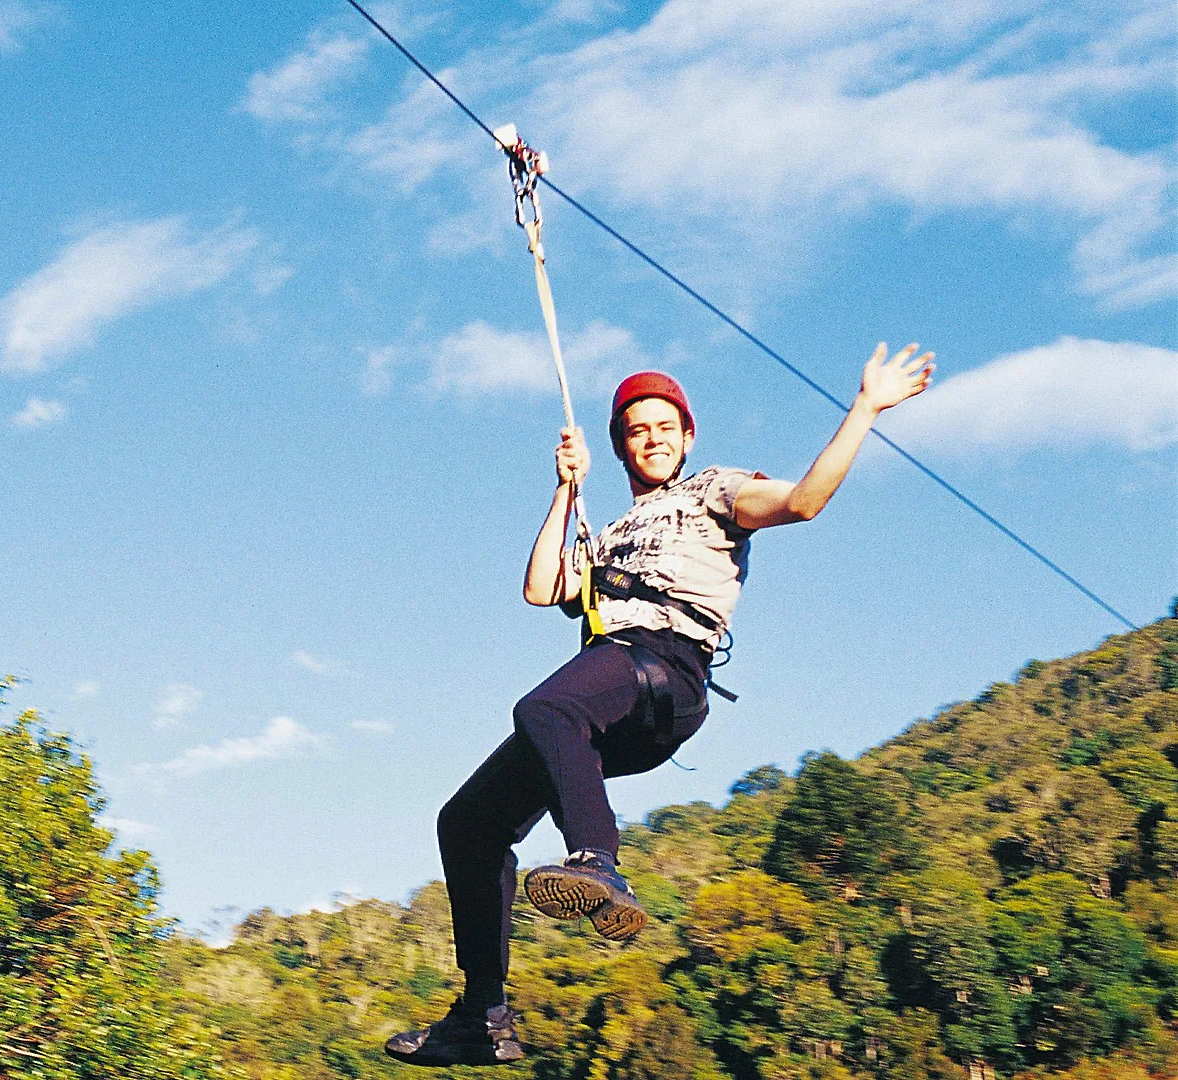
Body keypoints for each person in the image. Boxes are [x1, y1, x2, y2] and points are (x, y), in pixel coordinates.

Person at [384, 343, 934, 1068]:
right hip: (608, 693)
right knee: (467, 822)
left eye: (665, 426)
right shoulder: (608, 532)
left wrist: (865, 409)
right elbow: (542, 589)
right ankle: (483, 1016)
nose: (653, 438)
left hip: (664, 670)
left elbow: (804, 502)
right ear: (622, 447)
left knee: (546, 709)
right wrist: (564, 491)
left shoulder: (714, 490)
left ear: (687, 436)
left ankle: (599, 861)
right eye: (638, 430)